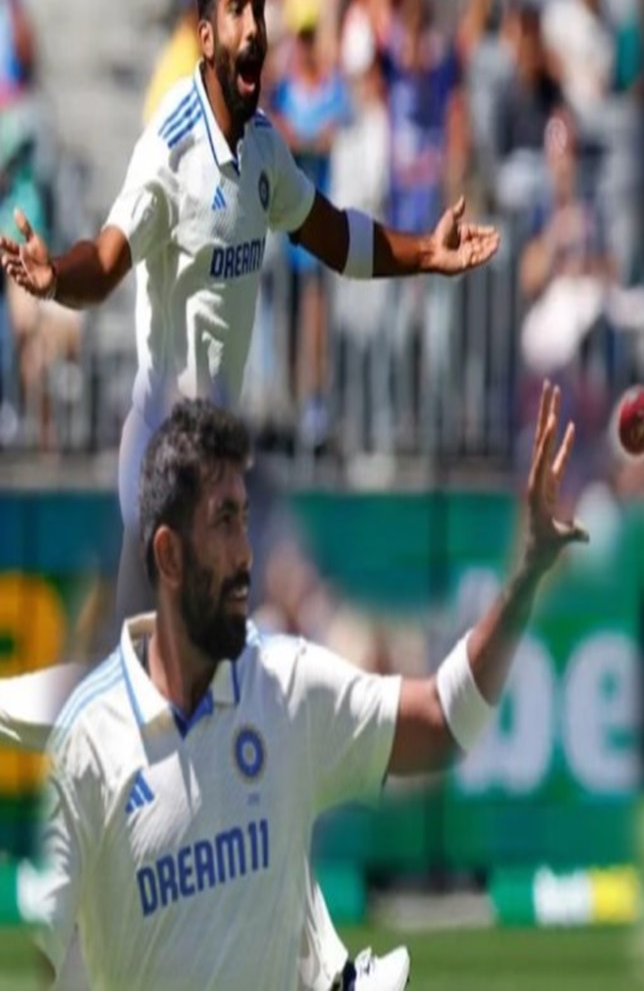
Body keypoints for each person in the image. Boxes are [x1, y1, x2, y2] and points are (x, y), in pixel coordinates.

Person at [0, 0, 499, 991]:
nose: (256, 25)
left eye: (261, 6)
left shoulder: (263, 150)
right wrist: (51, 278)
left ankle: (320, 970)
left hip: (215, 479)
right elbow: (106, 259)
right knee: (141, 719)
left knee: (232, 720)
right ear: (203, 32)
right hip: (163, 483)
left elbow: (334, 235)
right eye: (237, 7)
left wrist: (428, 252)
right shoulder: (168, 147)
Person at [28, 386, 586, 989]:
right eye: (223, 523)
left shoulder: (287, 685)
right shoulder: (92, 739)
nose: (246, 552)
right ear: (169, 555)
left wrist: (527, 573)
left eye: (246, 520)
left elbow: (444, 720)